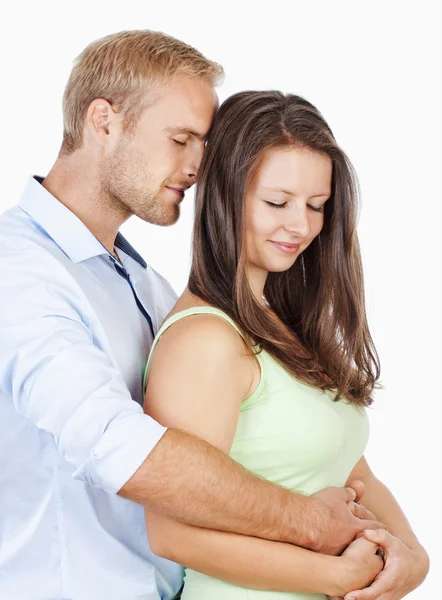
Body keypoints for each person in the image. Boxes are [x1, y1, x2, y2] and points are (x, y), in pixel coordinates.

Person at [0, 29, 385, 600]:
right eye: (181, 139)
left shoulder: (145, 286)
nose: (197, 167)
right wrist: (312, 525)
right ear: (102, 121)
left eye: (203, 144)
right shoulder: (19, 271)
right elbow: (119, 446)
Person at [142, 91, 430, 600]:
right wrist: (334, 576)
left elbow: (350, 469)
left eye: (316, 206)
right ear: (224, 195)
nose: (302, 226)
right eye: (277, 202)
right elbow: (170, 533)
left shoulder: (281, 328)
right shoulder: (203, 341)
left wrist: (413, 558)